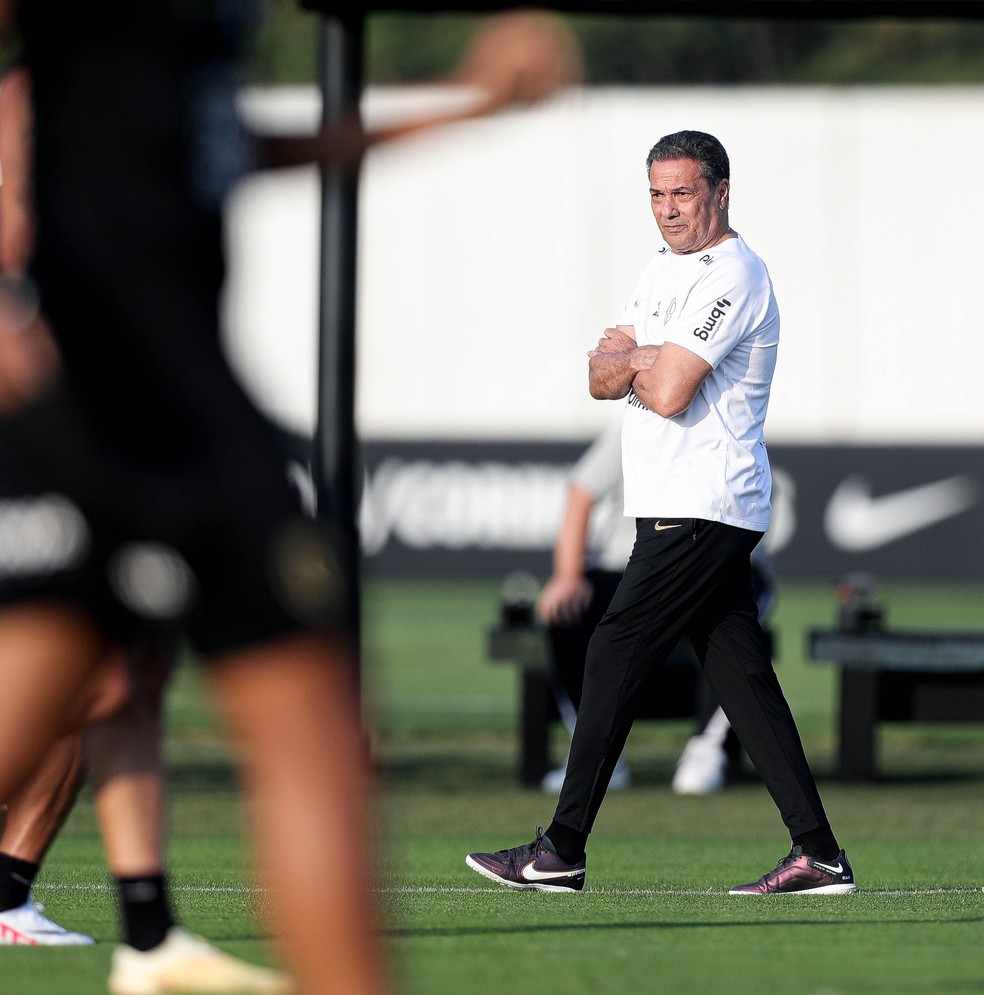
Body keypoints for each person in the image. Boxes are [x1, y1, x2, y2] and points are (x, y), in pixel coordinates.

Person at [0, 3, 583, 993]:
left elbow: (230, 147)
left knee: (305, 729)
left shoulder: (201, 33)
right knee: (100, 697)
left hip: (197, 414)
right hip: (87, 413)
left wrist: (467, 105)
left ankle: (142, 933)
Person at [467, 129, 856, 897]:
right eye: (656, 193)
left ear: (720, 191)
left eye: (682, 192)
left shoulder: (736, 274)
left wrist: (639, 356)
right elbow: (599, 376)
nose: (668, 209)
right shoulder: (659, 271)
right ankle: (820, 853)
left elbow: (667, 388)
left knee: (613, 649)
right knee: (742, 677)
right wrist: (648, 356)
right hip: (676, 504)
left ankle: (562, 847)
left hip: (702, 503)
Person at [537, 418, 777, 796]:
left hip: (716, 564)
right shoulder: (637, 423)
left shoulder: (733, 424)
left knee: (734, 623)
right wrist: (568, 575)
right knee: (571, 612)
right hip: (634, 567)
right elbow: (581, 490)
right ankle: (595, 756)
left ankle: (705, 749)